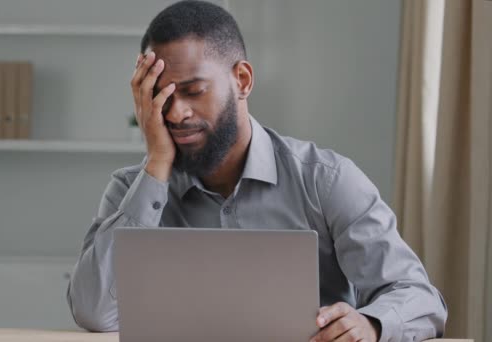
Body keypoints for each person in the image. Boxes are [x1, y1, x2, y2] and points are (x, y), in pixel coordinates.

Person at [66, 1, 447, 341]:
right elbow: (94, 312)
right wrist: (157, 166)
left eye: (194, 91)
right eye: (160, 95)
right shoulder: (132, 190)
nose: (176, 113)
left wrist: (372, 325)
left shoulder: (326, 180)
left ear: (242, 80)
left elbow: (419, 297)